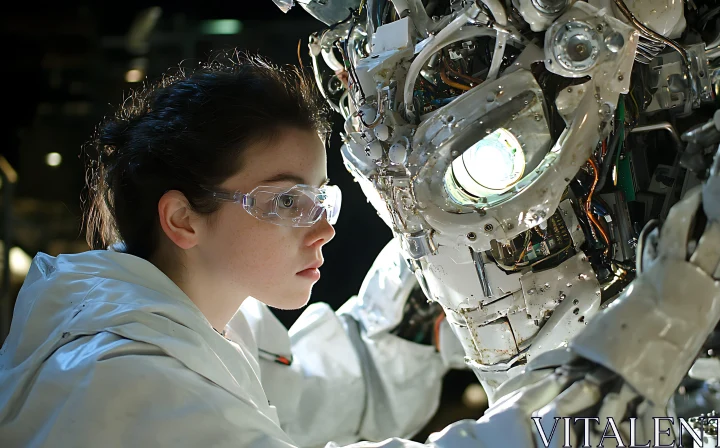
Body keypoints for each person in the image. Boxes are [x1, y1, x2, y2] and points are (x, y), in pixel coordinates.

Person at [0, 52, 539, 447]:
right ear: (183, 219)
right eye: (286, 200)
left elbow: (317, 398)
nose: (323, 229)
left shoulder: (214, 320)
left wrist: (417, 313)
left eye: (320, 199)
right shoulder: (124, 382)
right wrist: (557, 415)